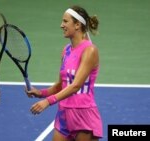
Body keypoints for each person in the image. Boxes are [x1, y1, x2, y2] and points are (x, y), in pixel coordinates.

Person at [26, 5, 103, 141]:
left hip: (83, 114)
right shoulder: (66, 50)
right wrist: (41, 93)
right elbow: (62, 84)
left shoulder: (90, 51)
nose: (61, 25)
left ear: (77, 25)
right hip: (64, 114)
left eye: (65, 21)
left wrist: (47, 102)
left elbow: (75, 85)